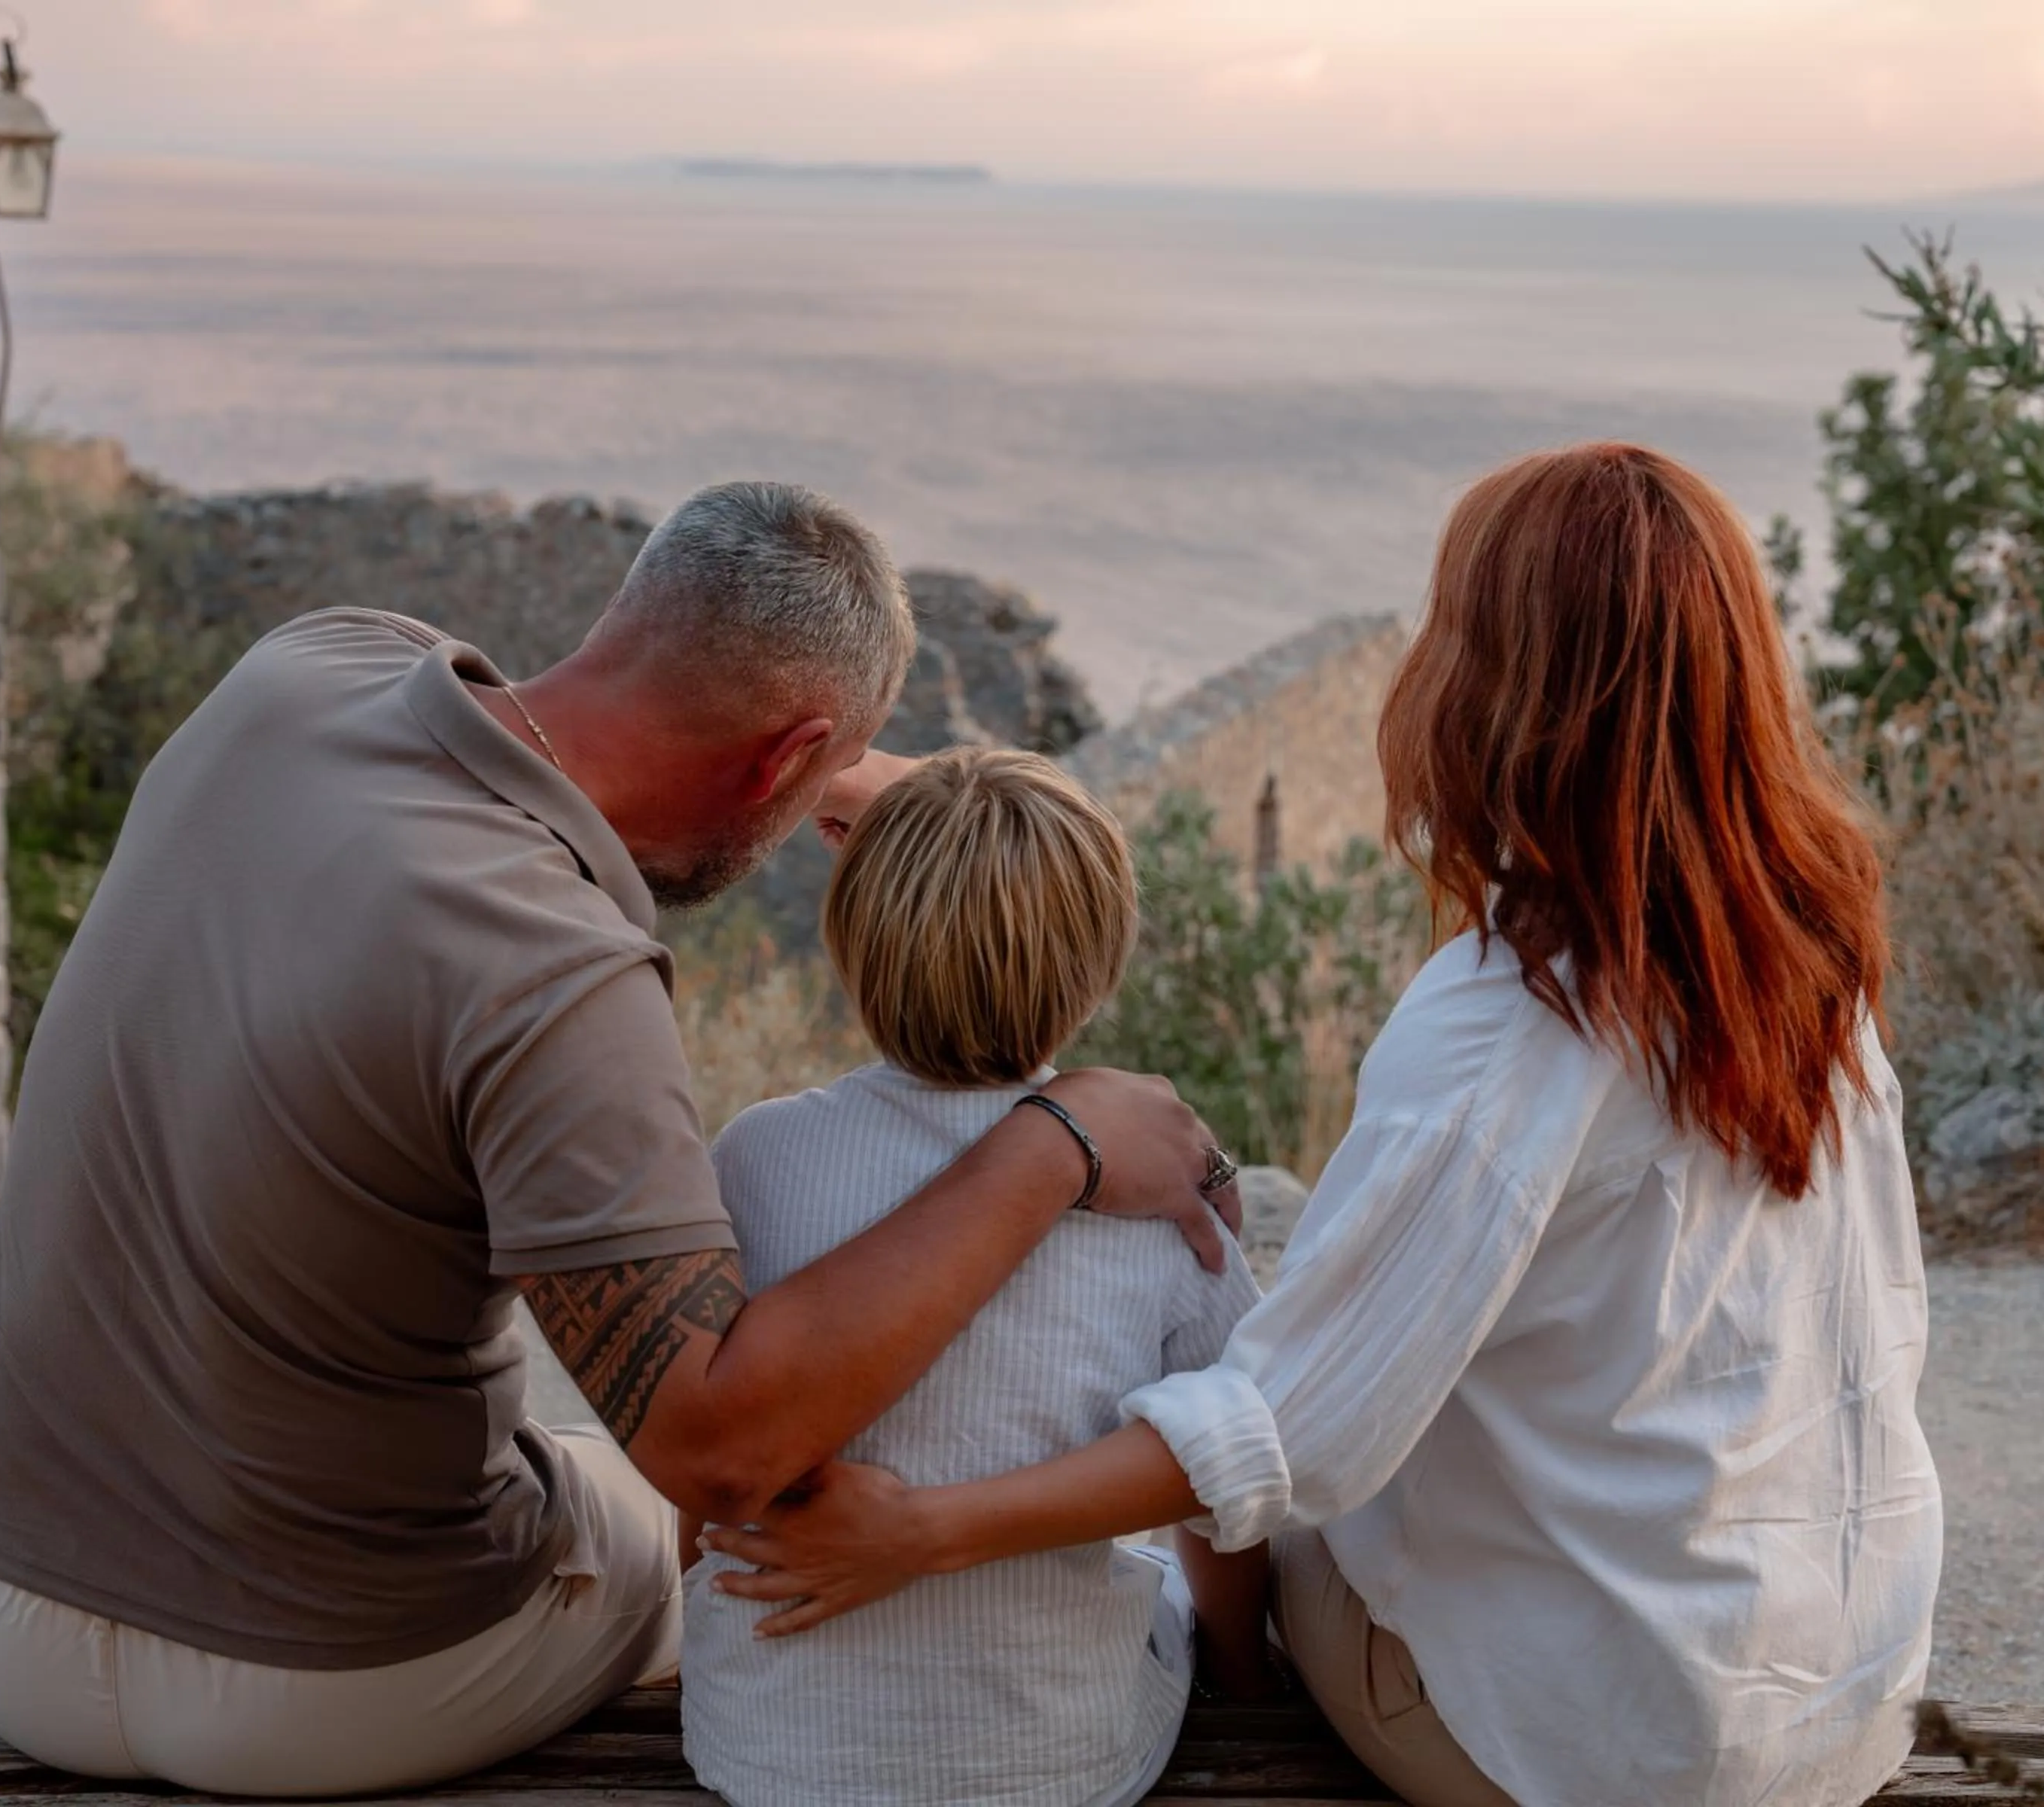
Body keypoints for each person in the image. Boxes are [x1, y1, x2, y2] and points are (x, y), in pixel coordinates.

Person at [0, 481, 1241, 1798]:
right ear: (793, 760)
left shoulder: (307, 668)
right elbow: (723, 1454)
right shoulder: (559, 974)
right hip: (318, 1688)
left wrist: (915, 794)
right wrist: (1054, 1139)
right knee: (680, 1519)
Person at [705, 445, 1945, 1807]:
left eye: (1452, 629)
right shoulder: (1800, 946)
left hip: (1588, 1747)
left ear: (1501, 690)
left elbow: (1281, 1439)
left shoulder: (1506, 1025)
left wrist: (921, 1534)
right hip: (1828, 1696)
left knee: (1264, 1530)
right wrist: (941, 819)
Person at [681, 748, 1278, 1807]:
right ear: (1099, 969)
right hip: (1049, 1767)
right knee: (1160, 1594)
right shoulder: (1156, 1206)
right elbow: (1227, 1480)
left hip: (760, 1756)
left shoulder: (752, 1159)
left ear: (849, 945)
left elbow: (702, 1467)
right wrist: (1238, 1672)